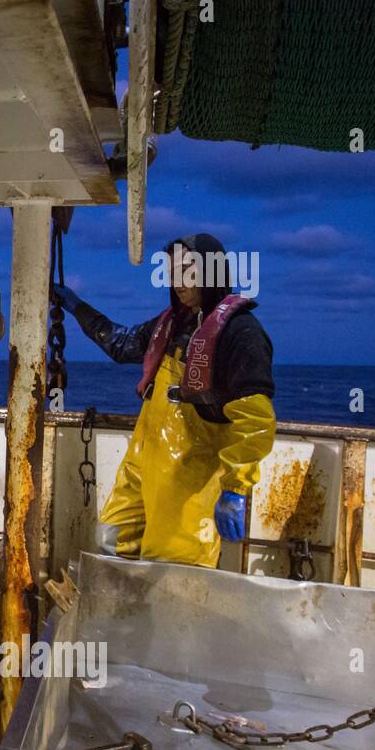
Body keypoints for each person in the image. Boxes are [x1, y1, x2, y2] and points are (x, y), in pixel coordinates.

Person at [54, 233, 275, 568]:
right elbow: (121, 343)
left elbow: (255, 421)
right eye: (173, 270)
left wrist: (235, 487)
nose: (178, 280)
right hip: (142, 466)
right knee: (112, 544)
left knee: (175, 571)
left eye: (188, 269)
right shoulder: (169, 324)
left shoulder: (241, 333)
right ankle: (122, 621)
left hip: (189, 479)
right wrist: (75, 306)